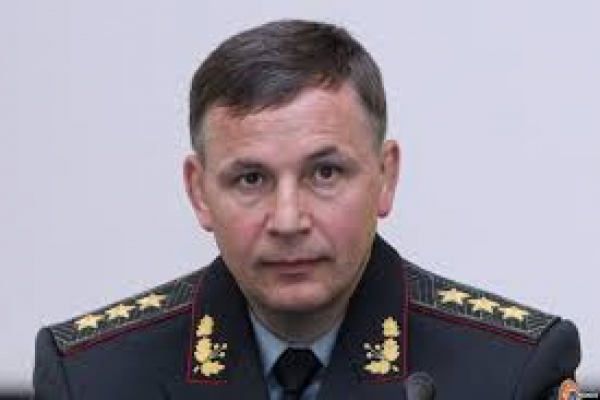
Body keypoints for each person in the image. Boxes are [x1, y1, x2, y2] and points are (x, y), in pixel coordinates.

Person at [33, 19, 581, 400]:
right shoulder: (91, 377)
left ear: (385, 177)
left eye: (325, 174)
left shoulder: (511, 372)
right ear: (199, 192)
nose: (288, 220)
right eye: (251, 179)